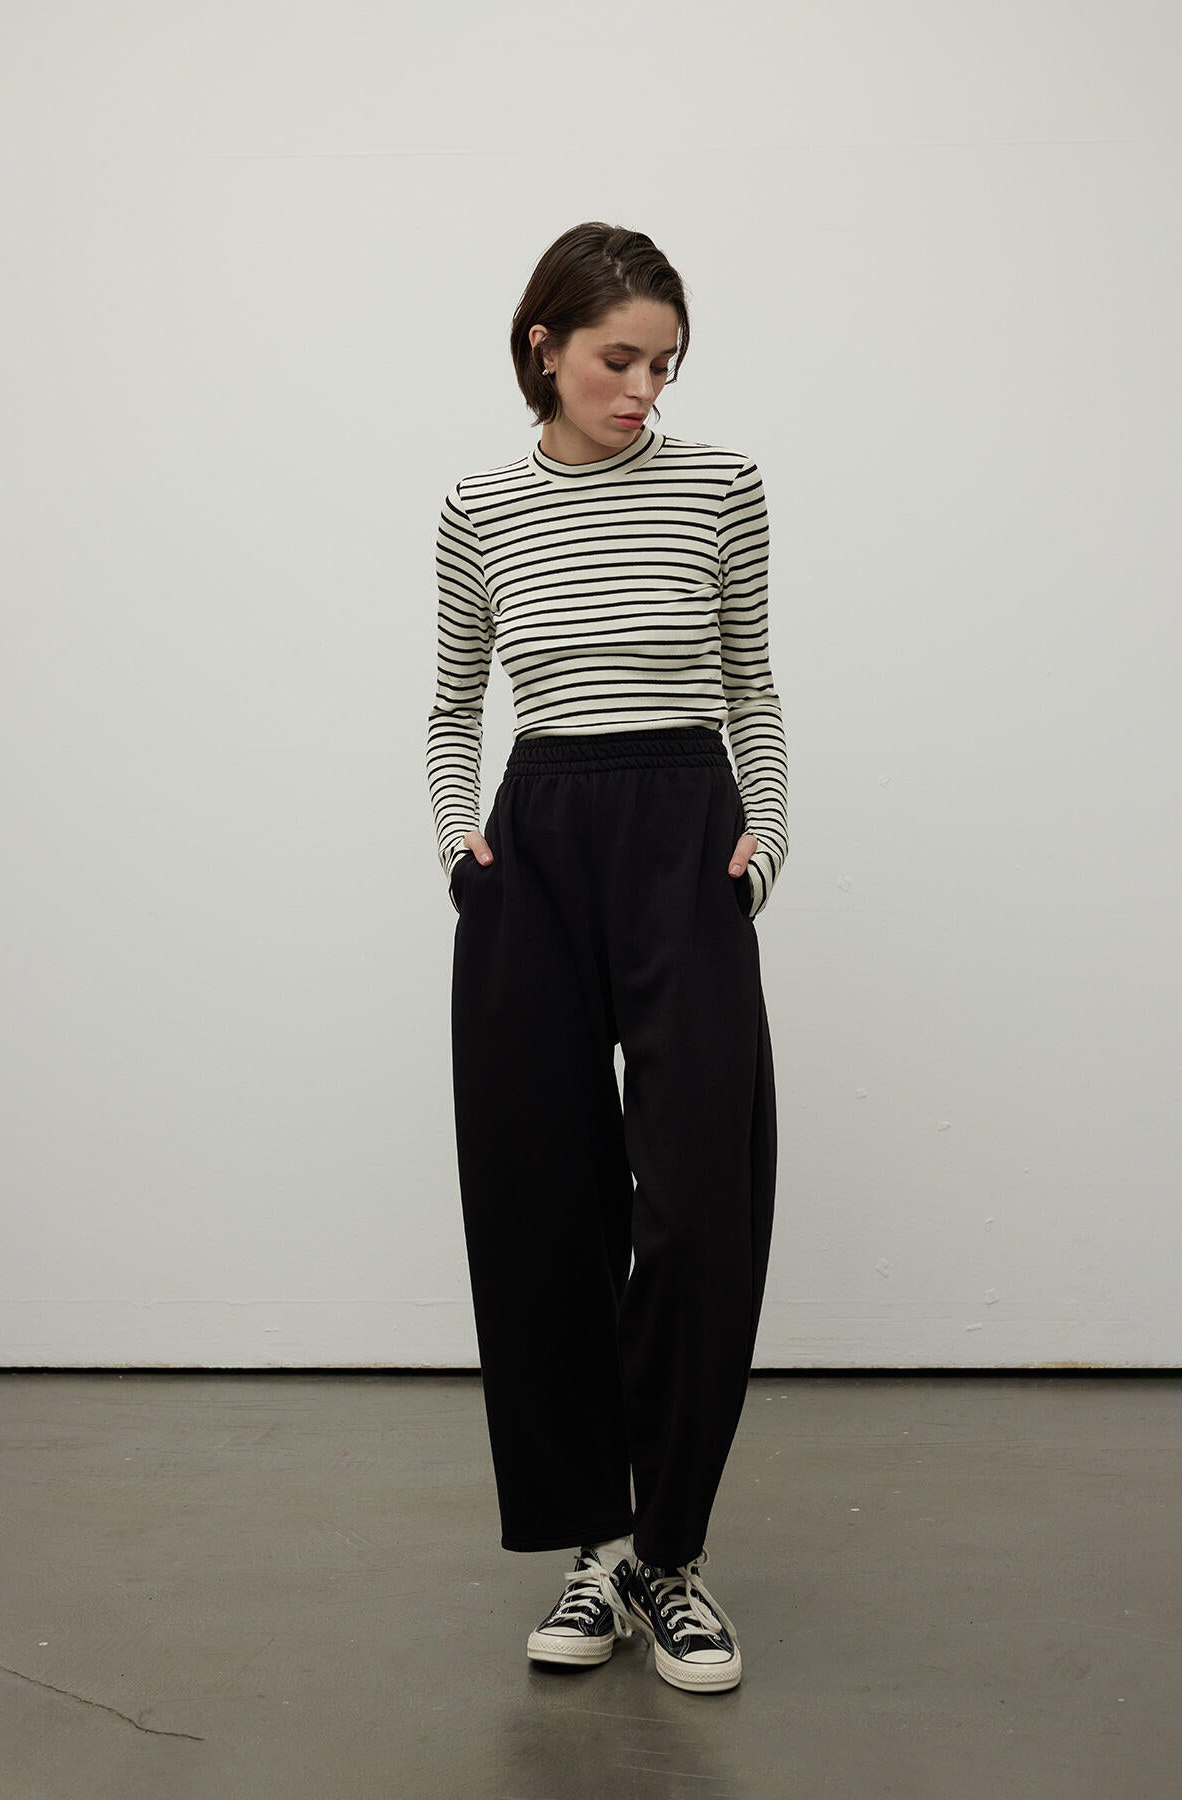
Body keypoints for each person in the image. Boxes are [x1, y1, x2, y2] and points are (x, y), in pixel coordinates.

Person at [424, 222, 788, 1695]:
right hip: (539, 842)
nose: (643, 390)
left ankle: (670, 1555)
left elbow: (751, 679)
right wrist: (458, 843)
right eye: (618, 360)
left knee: (702, 1199)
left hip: (685, 831)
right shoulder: (478, 507)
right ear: (546, 349)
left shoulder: (722, 486)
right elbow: (455, 706)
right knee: (541, 1199)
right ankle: (596, 1545)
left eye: (665, 364)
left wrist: (766, 836)